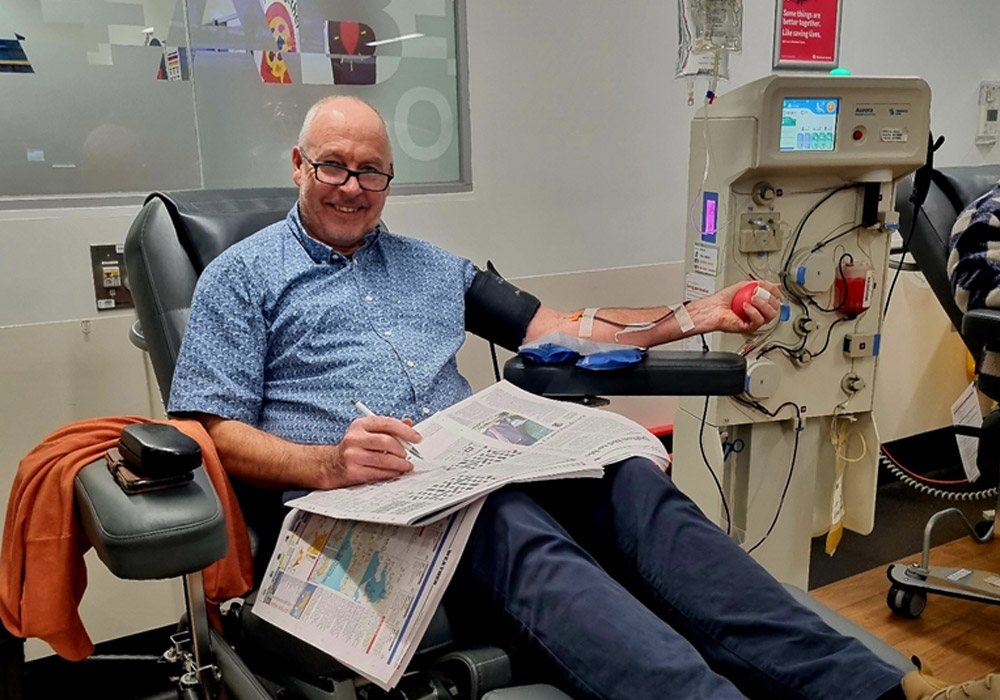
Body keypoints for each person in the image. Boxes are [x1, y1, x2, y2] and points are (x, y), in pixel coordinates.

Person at [168, 95, 998, 700]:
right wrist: (327, 460)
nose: (352, 186)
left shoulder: (430, 267)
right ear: (298, 167)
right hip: (353, 506)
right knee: (505, 523)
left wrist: (698, 314)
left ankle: (886, 694)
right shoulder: (242, 280)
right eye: (332, 167)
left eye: (371, 170)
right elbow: (204, 427)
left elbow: (561, 327)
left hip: (464, 466)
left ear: (391, 176)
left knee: (636, 485)